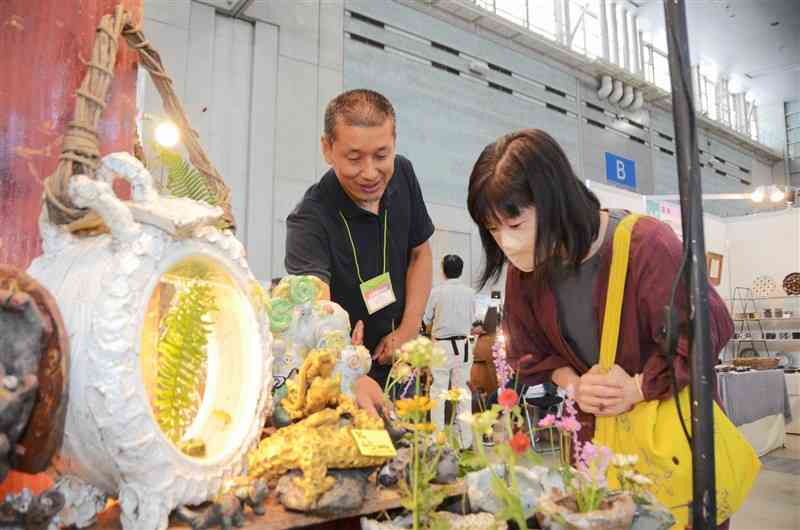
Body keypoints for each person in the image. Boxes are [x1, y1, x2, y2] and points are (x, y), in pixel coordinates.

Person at [467, 129, 733, 527]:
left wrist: (639, 387)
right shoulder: (526, 270)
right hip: (599, 446)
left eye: (516, 223)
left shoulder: (647, 244)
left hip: (671, 441)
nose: (505, 242)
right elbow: (528, 351)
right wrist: (574, 382)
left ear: (554, 202)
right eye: (492, 230)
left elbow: (707, 331)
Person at [285, 89, 434, 413]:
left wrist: (409, 329)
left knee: (416, 453)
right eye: (354, 158)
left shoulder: (403, 175)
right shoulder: (309, 220)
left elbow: (420, 254)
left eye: (381, 155)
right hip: (339, 372)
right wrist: (351, 372)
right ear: (328, 148)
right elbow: (316, 312)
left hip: (401, 357)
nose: (369, 173)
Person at [424, 254, 476, 447]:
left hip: (442, 346)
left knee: (438, 391)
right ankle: (466, 441)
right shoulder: (470, 293)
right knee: (463, 393)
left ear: (443, 270)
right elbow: (472, 320)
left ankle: (437, 440)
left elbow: (427, 318)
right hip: (463, 346)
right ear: (461, 270)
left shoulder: (436, 292)